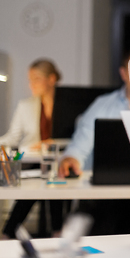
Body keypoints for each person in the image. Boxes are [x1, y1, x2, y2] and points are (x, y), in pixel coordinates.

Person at [57, 43, 130, 235]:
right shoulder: (102, 106)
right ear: (124, 73)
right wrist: (71, 159)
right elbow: (79, 146)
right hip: (104, 202)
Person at [1, 59, 64, 239]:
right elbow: (12, 137)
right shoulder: (25, 105)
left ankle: (56, 232)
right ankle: (9, 232)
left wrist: (55, 143)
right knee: (35, 186)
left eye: (36, 79)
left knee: (55, 180)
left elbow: (77, 137)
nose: (31, 84)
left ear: (51, 79)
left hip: (59, 162)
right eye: (30, 79)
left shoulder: (66, 105)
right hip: (32, 161)